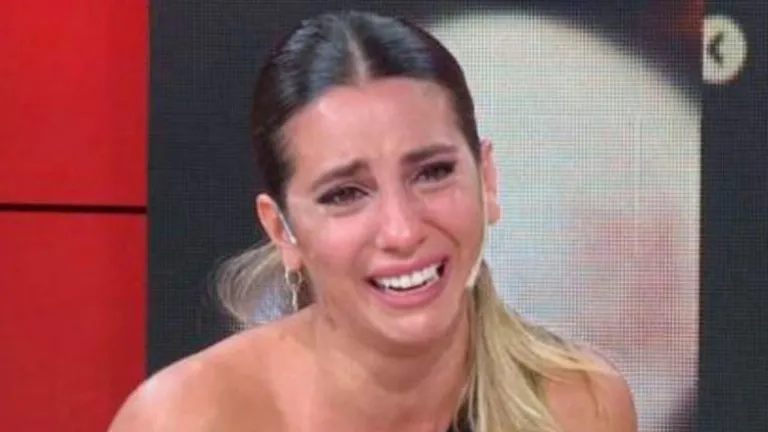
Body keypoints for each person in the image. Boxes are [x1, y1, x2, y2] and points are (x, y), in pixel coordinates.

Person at [109, 10, 637, 432]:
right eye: (345, 194)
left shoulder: (581, 408)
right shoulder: (186, 419)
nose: (402, 231)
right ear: (282, 230)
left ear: (487, 179)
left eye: (432, 173)